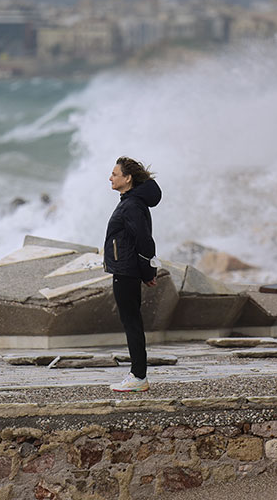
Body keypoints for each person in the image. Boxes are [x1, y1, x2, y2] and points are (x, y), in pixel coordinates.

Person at [104, 156, 161, 392]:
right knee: (131, 321)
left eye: (115, 174)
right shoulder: (130, 202)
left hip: (126, 270)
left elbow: (144, 241)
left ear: (127, 178)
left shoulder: (131, 205)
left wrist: (148, 272)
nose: (110, 178)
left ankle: (138, 376)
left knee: (132, 323)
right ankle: (138, 375)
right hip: (126, 269)